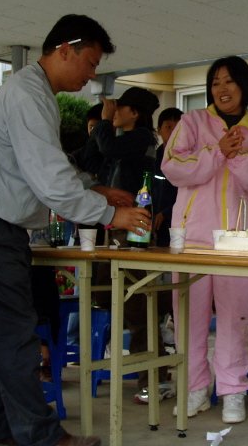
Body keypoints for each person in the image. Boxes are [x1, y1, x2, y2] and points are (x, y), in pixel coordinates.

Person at [0, 14, 152, 446]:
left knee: (1, 344)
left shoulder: (34, 94)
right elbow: (51, 183)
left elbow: (48, 166)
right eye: (90, 62)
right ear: (64, 50)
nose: (92, 74)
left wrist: (94, 187)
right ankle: (43, 438)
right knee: (15, 340)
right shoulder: (27, 96)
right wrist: (110, 215)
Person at [162, 56, 248, 423]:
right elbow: (172, 167)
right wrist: (216, 151)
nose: (222, 89)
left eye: (229, 81)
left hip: (236, 242)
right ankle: (195, 388)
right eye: (215, 83)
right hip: (192, 238)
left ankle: (232, 391)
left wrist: (239, 156)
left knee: (236, 318)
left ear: (245, 86)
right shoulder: (192, 122)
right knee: (188, 319)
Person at [90, 86, 175, 404]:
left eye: (119, 108)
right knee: (104, 295)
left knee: (138, 306)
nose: (114, 113)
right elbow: (92, 157)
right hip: (113, 231)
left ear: (134, 113)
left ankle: (154, 378)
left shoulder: (141, 138)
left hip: (134, 232)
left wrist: (103, 121)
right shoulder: (124, 142)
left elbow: (108, 148)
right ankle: (146, 363)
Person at [152, 107, 182, 247]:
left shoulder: (190, 160)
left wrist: (166, 213)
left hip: (179, 224)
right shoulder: (152, 159)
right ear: (159, 130)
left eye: (178, 128)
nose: (173, 132)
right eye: (168, 127)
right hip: (154, 224)